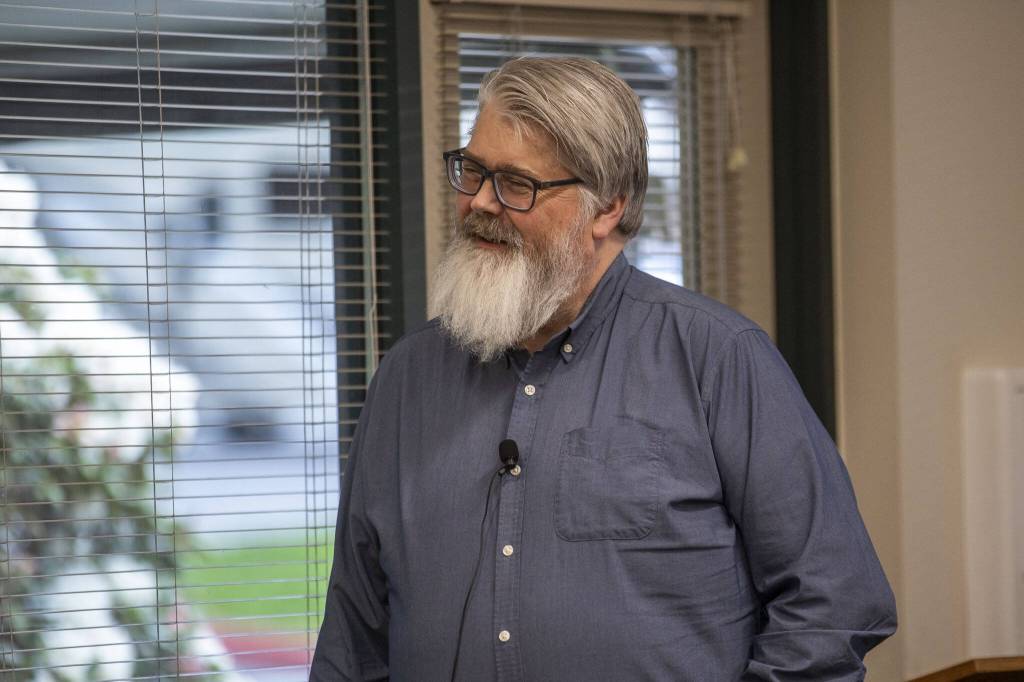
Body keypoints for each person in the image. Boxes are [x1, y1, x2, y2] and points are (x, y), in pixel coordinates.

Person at [310, 57, 896, 681]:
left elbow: (832, 602)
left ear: (607, 205)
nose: (480, 202)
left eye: (516, 184)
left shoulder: (717, 358)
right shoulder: (408, 377)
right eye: (473, 170)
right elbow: (355, 627)